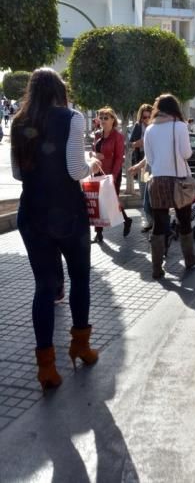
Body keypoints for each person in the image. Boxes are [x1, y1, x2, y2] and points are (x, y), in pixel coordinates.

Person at [10, 68, 101, 391]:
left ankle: (46, 368)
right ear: (59, 90)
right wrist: (92, 162)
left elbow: (19, 175)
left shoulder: (19, 122)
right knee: (79, 279)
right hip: (67, 215)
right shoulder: (72, 118)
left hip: (32, 215)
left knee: (44, 289)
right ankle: (80, 345)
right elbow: (76, 170)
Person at [144, 93, 195, 279]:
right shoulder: (179, 126)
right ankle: (189, 258)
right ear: (174, 108)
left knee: (159, 224)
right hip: (178, 180)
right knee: (184, 220)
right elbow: (186, 154)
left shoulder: (149, 129)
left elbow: (150, 158)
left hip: (157, 180)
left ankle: (156, 268)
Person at [91, 107, 132, 243]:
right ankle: (99, 233)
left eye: (106, 118)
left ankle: (126, 220)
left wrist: (113, 176)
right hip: (97, 172)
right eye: (101, 118)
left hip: (112, 173)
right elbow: (92, 152)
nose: (102, 120)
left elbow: (119, 158)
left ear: (113, 120)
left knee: (112, 202)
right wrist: (94, 155)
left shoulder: (118, 136)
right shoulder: (97, 134)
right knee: (97, 202)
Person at [130, 103, 153, 232]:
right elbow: (131, 144)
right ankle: (149, 220)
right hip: (143, 164)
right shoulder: (138, 127)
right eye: (144, 117)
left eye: (149, 116)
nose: (146, 119)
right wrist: (139, 143)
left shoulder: (156, 127)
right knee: (144, 191)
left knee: (152, 192)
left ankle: (154, 221)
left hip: (154, 164)